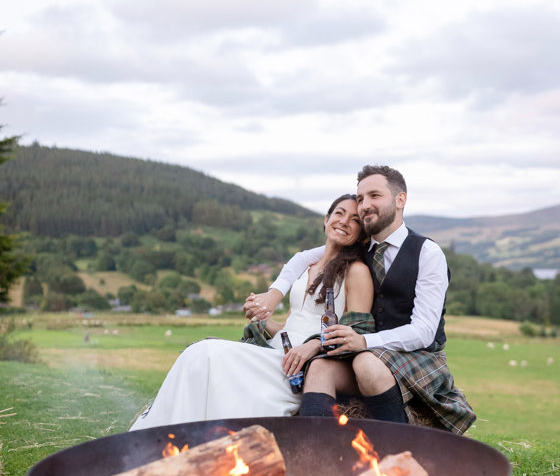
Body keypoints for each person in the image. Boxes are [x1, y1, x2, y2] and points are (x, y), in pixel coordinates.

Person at [246, 164, 475, 434]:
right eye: (361, 198)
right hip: (359, 350)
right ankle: (313, 454)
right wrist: (275, 292)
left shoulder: (427, 252)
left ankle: (401, 448)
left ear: (400, 199)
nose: (365, 205)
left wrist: (365, 342)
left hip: (414, 354)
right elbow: (306, 257)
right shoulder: (359, 247)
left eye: (374, 196)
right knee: (320, 367)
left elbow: (424, 332)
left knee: (366, 364)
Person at [130, 195, 372, 429]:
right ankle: (168, 438)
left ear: (361, 232)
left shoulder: (356, 271)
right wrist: (263, 321)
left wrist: (316, 344)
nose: (344, 221)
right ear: (326, 219)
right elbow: (294, 322)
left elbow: (354, 332)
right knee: (195, 354)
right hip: (277, 347)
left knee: (206, 353)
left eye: (354, 220)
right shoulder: (307, 265)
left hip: (301, 363)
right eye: (339, 213)